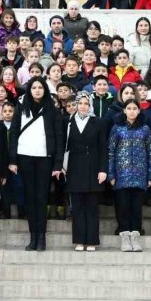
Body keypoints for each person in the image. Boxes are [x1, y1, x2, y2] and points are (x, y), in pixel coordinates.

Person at [7, 77, 64, 251]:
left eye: (40, 87)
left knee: (41, 197)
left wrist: (57, 164)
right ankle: (33, 237)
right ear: (30, 90)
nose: (37, 90)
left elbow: (59, 138)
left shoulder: (52, 110)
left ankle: (42, 238)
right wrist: (12, 160)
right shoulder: (21, 108)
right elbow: (14, 134)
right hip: (25, 157)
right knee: (30, 199)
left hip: (45, 158)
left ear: (45, 90)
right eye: (34, 88)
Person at [108, 99, 151, 252]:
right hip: (121, 175)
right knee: (122, 207)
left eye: (135, 108)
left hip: (140, 175)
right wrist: (111, 174)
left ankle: (135, 237)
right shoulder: (117, 128)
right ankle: (125, 237)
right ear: (124, 111)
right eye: (129, 108)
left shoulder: (145, 129)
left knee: (136, 207)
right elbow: (111, 152)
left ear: (139, 111)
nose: (132, 111)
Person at [62, 92, 107, 251]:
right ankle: (80, 240)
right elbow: (64, 146)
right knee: (78, 207)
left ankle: (92, 241)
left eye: (86, 104)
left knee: (92, 207)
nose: (82, 106)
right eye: (80, 103)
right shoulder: (68, 122)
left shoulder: (98, 122)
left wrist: (103, 169)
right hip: (74, 168)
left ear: (90, 106)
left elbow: (103, 148)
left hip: (93, 168)